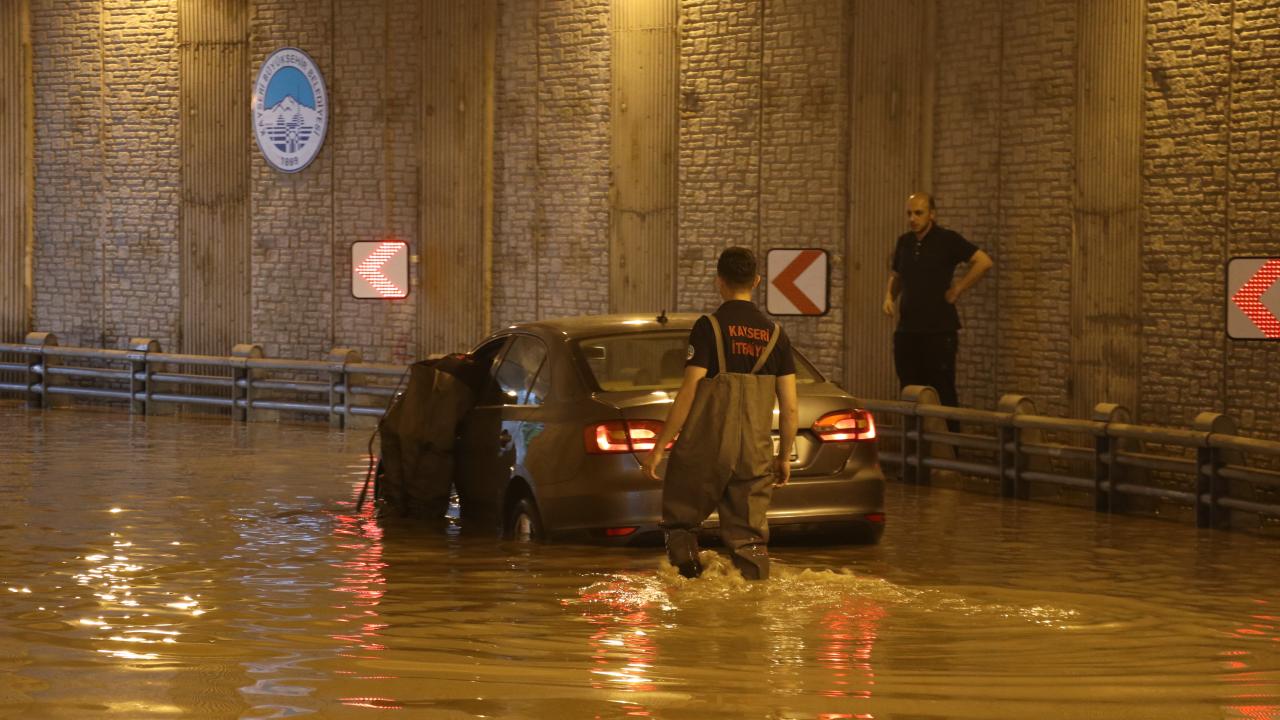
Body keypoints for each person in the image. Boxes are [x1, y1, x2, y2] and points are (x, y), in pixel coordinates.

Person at [641, 247, 798, 581]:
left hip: (706, 446)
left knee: (680, 524)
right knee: (750, 539)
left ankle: (691, 601)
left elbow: (689, 391)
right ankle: (752, 615)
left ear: (719, 282)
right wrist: (783, 456)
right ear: (756, 281)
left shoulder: (709, 327)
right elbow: (790, 405)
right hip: (755, 452)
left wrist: (659, 447)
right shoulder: (776, 335)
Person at [882, 193, 993, 418]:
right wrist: (889, 297)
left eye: (919, 213)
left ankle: (951, 446)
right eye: (909, 213)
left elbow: (983, 261)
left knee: (942, 390)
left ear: (932, 214)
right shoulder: (905, 242)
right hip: (908, 330)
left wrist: (958, 289)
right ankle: (914, 447)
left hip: (938, 330)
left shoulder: (946, 240)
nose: (913, 218)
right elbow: (897, 275)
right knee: (909, 391)